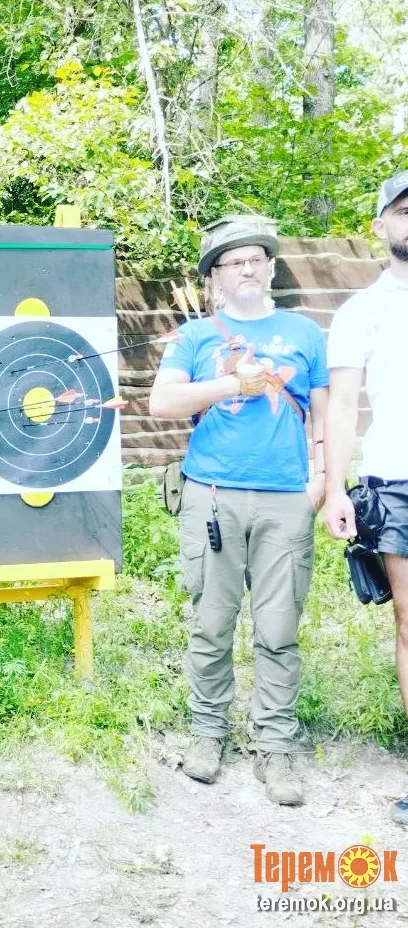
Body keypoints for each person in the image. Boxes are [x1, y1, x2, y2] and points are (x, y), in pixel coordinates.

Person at [149, 216, 328, 805]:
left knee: (279, 629)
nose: (247, 269)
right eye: (234, 262)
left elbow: (324, 411)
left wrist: (322, 479)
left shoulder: (305, 332)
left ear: (271, 268)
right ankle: (208, 733)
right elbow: (162, 402)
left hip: (286, 499)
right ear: (216, 277)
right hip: (212, 496)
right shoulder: (194, 336)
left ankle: (275, 746)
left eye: (257, 259)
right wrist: (232, 386)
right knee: (211, 623)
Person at [323, 169, 408, 825]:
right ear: (381, 226)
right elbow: (343, 406)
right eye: (404, 210)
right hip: (395, 482)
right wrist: (335, 489)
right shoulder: (360, 311)